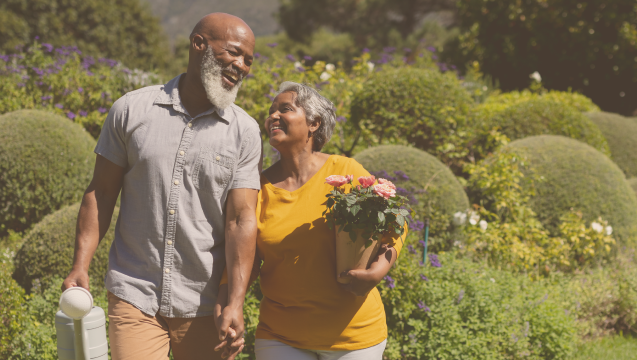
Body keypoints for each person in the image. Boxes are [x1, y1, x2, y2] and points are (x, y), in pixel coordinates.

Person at [62, 13, 260, 360]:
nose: (241, 66)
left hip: (204, 302)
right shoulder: (131, 110)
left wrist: (235, 301)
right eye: (234, 53)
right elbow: (102, 193)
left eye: (248, 60)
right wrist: (81, 264)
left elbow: (241, 220)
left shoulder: (244, 131)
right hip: (135, 292)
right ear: (199, 44)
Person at [215, 82, 406, 360]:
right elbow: (245, 256)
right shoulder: (258, 188)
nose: (273, 117)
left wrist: (376, 273)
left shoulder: (345, 172)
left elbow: (393, 225)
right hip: (281, 335)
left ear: (314, 123)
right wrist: (228, 305)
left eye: (285, 109)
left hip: (353, 336)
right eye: (271, 112)